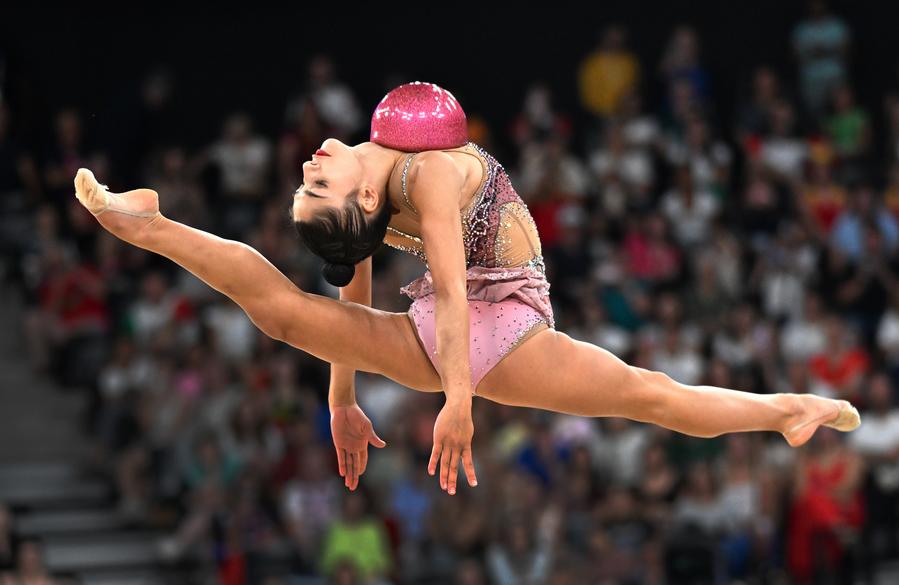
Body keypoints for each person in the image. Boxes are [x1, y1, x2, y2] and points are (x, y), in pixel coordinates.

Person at [71, 81, 861, 498]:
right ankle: (148, 223)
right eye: (316, 187)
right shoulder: (405, 177)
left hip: (496, 310)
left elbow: (448, 288)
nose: (307, 168)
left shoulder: (416, 170)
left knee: (648, 393)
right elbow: (402, 289)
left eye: (306, 186)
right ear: (364, 203)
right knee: (283, 316)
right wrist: (347, 398)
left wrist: (454, 395)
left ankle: (786, 409)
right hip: (468, 320)